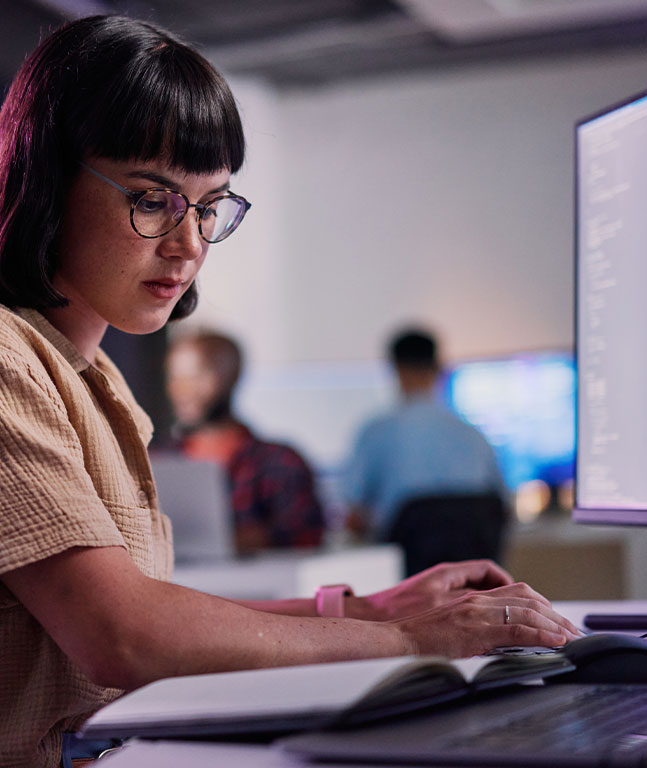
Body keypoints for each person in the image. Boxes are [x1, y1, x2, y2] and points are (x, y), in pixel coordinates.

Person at [0, 15, 580, 768]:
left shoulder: (95, 379)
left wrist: (364, 609)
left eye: (209, 208)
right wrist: (405, 642)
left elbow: (148, 608)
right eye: (152, 199)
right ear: (47, 177)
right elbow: (123, 634)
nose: (188, 246)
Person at [164, 330, 325, 553]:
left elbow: (306, 536)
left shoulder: (281, 462)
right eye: (175, 378)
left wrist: (241, 542)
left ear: (231, 377)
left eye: (196, 378)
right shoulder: (156, 461)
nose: (182, 390)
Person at [343, 328, 510, 541]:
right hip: (469, 569)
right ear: (438, 367)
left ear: (396, 368)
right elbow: (503, 509)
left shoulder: (375, 433)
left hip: (407, 570)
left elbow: (354, 516)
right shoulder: (473, 434)